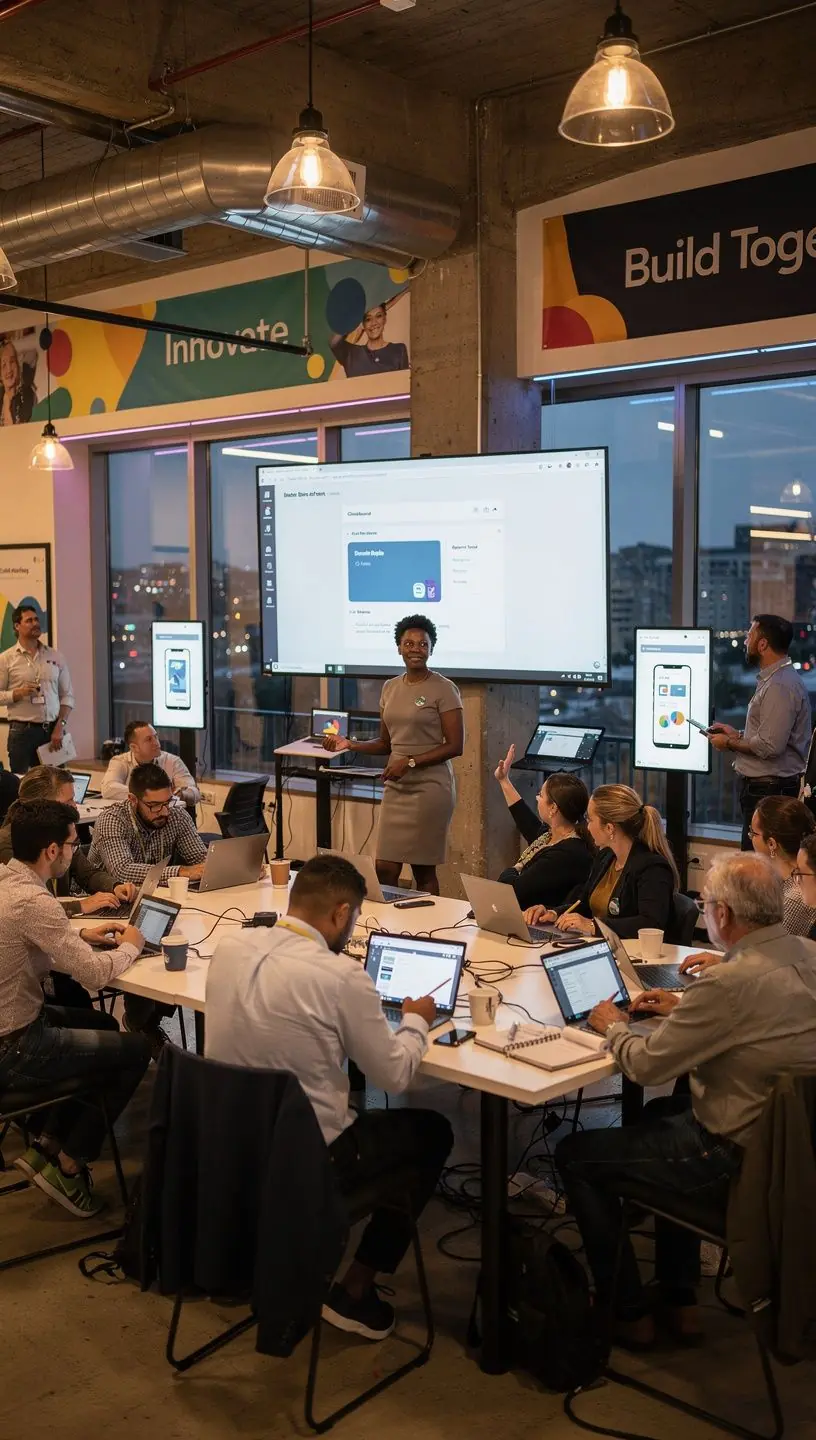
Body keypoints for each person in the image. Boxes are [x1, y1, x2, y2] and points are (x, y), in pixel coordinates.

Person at [556, 853, 816, 1348]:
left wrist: (614, 1027)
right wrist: (687, 1007)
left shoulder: (726, 984)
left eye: (706, 904)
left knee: (576, 1154)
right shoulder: (808, 954)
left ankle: (628, 1311)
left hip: (735, 1163)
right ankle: (680, 1298)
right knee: (660, 1112)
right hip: (793, 1157)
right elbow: (758, 1021)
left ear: (723, 916)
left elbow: (647, 1066)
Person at [205, 853, 453, 1342]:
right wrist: (417, 1021)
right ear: (342, 914)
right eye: (355, 919)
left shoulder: (230, 949)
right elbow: (397, 1074)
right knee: (432, 1132)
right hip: (309, 1160)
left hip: (228, 1143)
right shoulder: (342, 979)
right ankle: (356, 1289)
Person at [0, 799, 150, 1217]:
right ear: (52, 851)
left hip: (11, 1026)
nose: (75, 849)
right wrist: (132, 947)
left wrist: (83, 935)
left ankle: (47, 1144)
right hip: (12, 1047)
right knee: (136, 1050)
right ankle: (69, 1164)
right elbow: (95, 977)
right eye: (72, 842)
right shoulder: (34, 902)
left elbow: (32, 942)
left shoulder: (5, 882)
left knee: (102, 1023)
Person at [324, 615, 464, 896]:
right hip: (397, 785)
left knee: (423, 870)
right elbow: (386, 744)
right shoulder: (390, 687)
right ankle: (392, 928)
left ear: (431, 649)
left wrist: (410, 762)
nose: (415, 648)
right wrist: (349, 744)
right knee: (385, 869)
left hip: (430, 788)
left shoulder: (444, 688)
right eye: (409, 643)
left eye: (423, 644)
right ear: (399, 648)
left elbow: (455, 746)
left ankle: (427, 932)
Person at [706, 615, 811, 850]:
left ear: (763, 644)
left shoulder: (780, 686)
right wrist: (737, 734)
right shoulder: (775, 680)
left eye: (749, 635)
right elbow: (769, 733)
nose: (745, 641)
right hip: (766, 789)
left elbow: (770, 746)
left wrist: (730, 743)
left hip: (769, 791)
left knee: (760, 874)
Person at [525, 783, 678, 941]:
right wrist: (553, 913)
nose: (587, 827)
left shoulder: (652, 868)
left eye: (590, 819)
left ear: (610, 828)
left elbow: (651, 924)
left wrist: (593, 926)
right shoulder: (606, 857)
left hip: (636, 955)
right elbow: (583, 903)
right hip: (602, 946)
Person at [0, 765, 135, 918]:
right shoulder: (8, 844)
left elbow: (87, 874)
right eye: (68, 800)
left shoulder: (61, 834)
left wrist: (115, 886)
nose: (75, 806)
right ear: (42, 805)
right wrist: (79, 905)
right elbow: (30, 908)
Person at [493, 747, 593, 909]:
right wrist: (504, 780)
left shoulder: (566, 853)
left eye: (541, 795)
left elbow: (512, 890)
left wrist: (513, 870)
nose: (537, 798)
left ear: (553, 808)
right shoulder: (549, 836)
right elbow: (525, 819)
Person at [88, 761, 206, 887]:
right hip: (100, 897)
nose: (165, 812)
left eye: (167, 802)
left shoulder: (177, 816)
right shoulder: (112, 820)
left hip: (151, 894)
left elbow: (201, 859)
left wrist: (211, 866)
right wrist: (182, 872)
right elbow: (122, 872)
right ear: (133, 800)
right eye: (154, 805)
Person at [0, 603, 74, 773]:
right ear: (17, 626)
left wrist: (60, 727)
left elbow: (68, 697)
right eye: (29, 620)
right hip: (21, 733)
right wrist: (17, 694)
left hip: (52, 732)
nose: (35, 623)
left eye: (36, 619)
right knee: (23, 787)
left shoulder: (55, 656)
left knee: (55, 786)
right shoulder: (6, 659)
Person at [101, 721, 201, 806]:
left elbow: (195, 793)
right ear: (134, 747)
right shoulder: (120, 761)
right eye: (149, 739)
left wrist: (182, 794)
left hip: (169, 820)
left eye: (156, 737)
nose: (156, 742)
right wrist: (150, 793)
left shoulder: (172, 761)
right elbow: (108, 789)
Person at [330, 302, 409, 378]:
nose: (374, 323)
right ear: (363, 324)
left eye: (378, 316)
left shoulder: (398, 350)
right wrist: (352, 315)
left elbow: (405, 385)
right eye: (368, 319)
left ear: (384, 319)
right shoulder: (351, 354)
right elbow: (334, 342)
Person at [0, 335, 36, 426]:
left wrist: (7, 407)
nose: (9, 370)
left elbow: (33, 352)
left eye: (12, 362)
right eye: (4, 365)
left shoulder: (27, 394)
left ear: (17, 364)